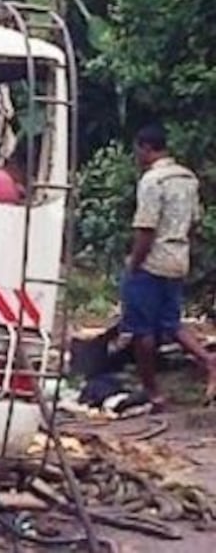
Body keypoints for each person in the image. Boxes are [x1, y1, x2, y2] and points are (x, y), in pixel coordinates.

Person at [120, 124, 215, 410]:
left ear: (146, 148)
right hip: (178, 260)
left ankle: (152, 392)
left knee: (142, 330)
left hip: (152, 263)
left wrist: (133, 264)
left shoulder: (152, 181)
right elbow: (194, 222)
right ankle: (209, 360)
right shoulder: (188, 179)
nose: (137, 155)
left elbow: (146, 229)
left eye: (138, 150)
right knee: (171, 323)